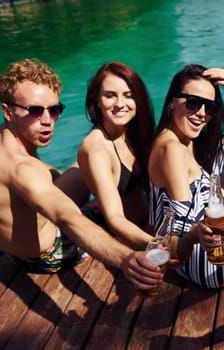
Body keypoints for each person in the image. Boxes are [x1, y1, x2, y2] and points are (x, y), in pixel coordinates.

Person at [0, 58, 163, 291]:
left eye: (54, 110)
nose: (47, 121)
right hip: (51, 253)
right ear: (7, 111)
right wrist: (125, 259)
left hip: (16, 247)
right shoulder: (22, 170)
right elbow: (68, 219)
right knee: (103, 195)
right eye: (34, 111)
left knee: (84, 167)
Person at [148, 64, 224, 288]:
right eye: (194, 103)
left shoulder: (186, 141)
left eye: (210, 107)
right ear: (172, 101)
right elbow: (183, 222)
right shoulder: (172, 149)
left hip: (201, 257)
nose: (202, 114)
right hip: (209, 265)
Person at [77, 61, 155, 249]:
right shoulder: (97, 150)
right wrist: (156, 243)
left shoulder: (133, 132)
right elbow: (115, 218)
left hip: (147, 224)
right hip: (121, 238)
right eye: (110, 96)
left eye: (129, 96)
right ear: (97, 100)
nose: (120, 104)